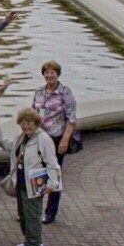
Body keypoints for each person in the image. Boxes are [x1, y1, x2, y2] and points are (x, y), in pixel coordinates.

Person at [0, 107, 61, 246]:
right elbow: (8, 147)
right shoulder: (21, 137)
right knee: (23, 214)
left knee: (33, 215)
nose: (25, 127)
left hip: (36, 182)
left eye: (29, 123)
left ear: (36, 123)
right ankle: (30, 241)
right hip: (21, 181)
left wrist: (52, 183)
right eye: (23, 123)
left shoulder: (43, 139)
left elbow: (52, 163)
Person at [32, 60, 79, 224]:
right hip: (39, 138)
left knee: (53, 176)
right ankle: (34, 209)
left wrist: (65, 140)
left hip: (56, 138)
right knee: (36, 174)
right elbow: (33, 114)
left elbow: (71, 119)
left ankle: (50, 212)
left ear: (57, 74)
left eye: (52, 72)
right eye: (46, 72)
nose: (49, 75)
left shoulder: (65, 92)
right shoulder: (39, 91)